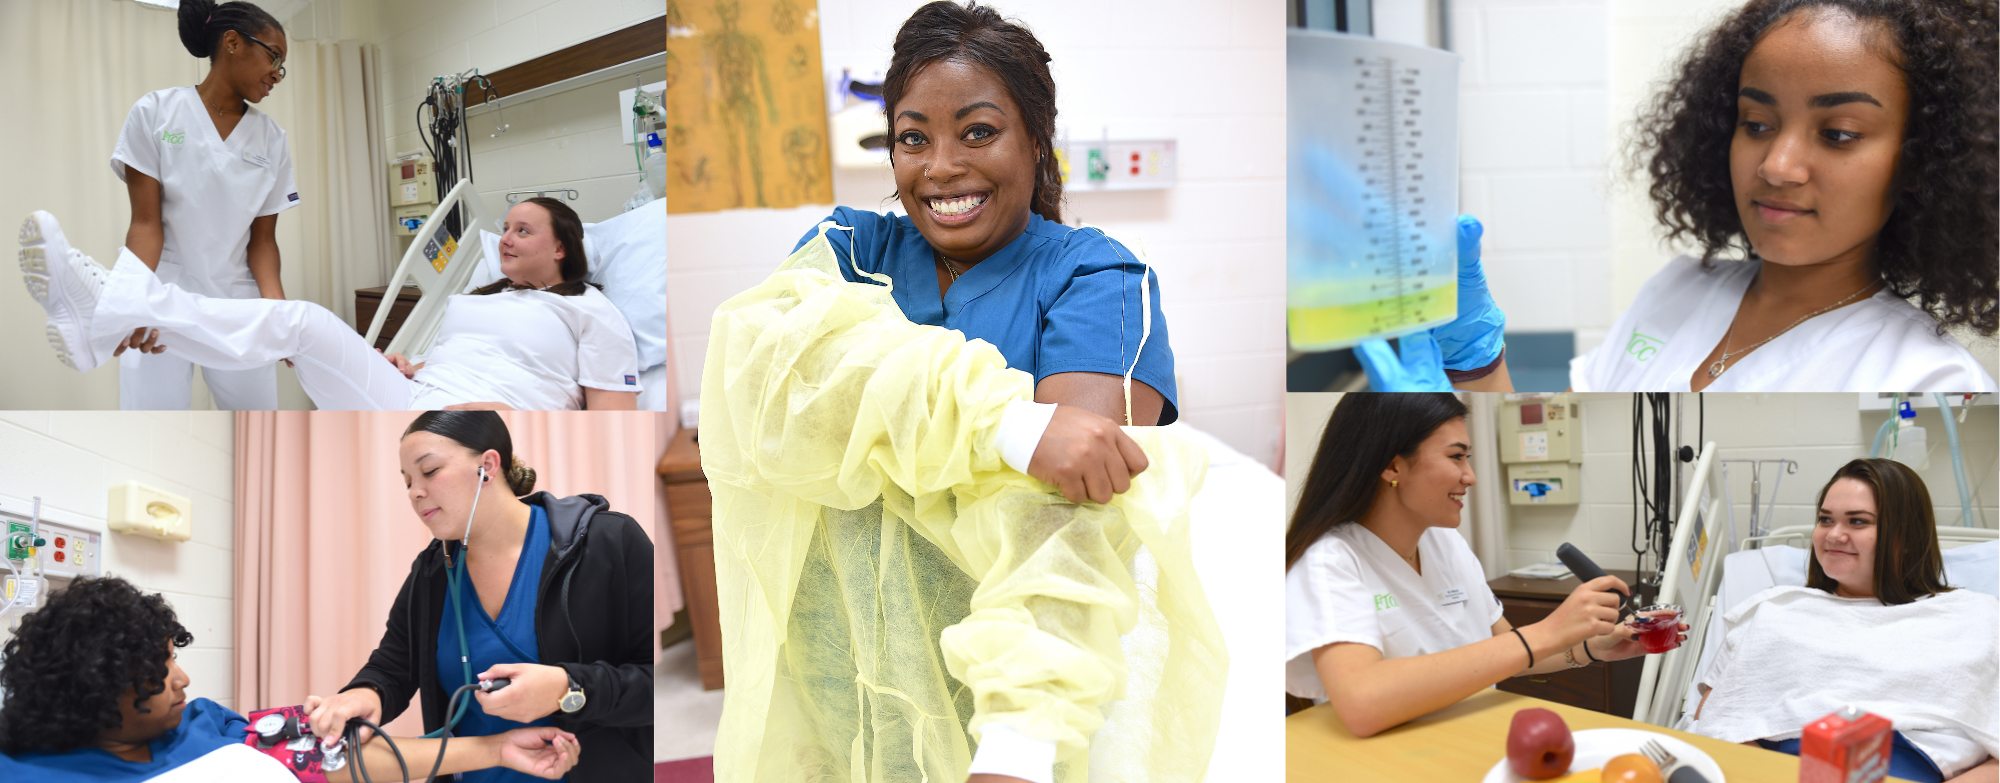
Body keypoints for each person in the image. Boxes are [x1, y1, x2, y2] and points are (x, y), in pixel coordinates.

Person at [704, 5, 1225, 782]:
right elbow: (764, 374)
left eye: (978, 131)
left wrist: (1016, 745)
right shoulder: (851, 249)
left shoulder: (1098, 280)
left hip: (1012, 701)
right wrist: (1008, 425)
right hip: (826, 674)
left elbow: (1076, 517)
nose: (940, 167)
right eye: (913, 138)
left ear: (1036, 141)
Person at [1360, 0, 1997, 392]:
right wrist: (1475, 363)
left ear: (1919, 164)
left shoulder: (1928, 379)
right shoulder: (1677, 288)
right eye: (1756, 124)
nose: (1776, 166)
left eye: (1837, 134)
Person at [1284, 393, 1688, 737]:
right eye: (1457, 457)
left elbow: (1505, 649)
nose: (1470, 477)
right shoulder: (1329, 562)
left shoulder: (1445, 543)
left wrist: (1590, 649)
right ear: (1392, 466)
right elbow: (1361, 702)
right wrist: (1549, 630)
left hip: (1465, 736)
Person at [17, 198, 641, 410]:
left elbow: (611, 425)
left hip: (495, 423)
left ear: (563, 249)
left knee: (305, 321)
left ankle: (107, 315)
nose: (504, 238)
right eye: (503, 227)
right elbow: (452, 357)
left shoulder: (590, 310)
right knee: (298, 325)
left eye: (523, 231)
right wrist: (411, 364)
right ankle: (110, 318)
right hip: (413, 396)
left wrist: (521, 421)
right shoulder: (481, 296)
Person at [303, 411, 653, 782]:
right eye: (407, 481)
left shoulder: (608, 544)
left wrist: (566, 689)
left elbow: (652, 684)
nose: (414, 492)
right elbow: (393, 667)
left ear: (487, 465)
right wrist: (365, 694)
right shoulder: (433, 573)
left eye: (430, 471)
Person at [0, 576, 581, 781]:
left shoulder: (205, 726)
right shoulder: (22, 769)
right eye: (160, 669)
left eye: (173, 658)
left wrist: (497, 748)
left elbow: (337, 758)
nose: (183, 679)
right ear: (98, 687)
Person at [1688, 459, 1998, 783]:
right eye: (1825, 519)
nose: (1834, 535)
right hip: (1777, 769)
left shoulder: (1974, 617)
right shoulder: (1776, 610)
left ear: (1905, 537)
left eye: (1858, 522)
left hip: (1906, 768)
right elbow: (1716, 714)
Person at [112, 0, 298, 410]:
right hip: (163, 295)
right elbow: (145, 225)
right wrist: (133, 301)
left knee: (258, 417)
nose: (277, 75)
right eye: (273, 57)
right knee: (150, 422)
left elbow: (263, 242)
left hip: (237, 305)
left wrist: (278, 313)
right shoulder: (156, 113)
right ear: (232, 43)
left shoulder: (272, 139)